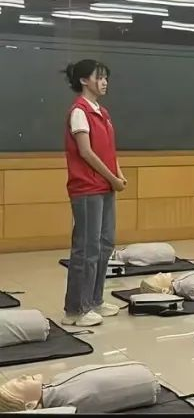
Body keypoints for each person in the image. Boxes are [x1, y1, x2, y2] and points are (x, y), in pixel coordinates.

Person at [63, 59, 125, 328]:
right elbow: (86, 152)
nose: (104, 82)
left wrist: (118, 174)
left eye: (106, 77)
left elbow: (109, 150)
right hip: (87, 188)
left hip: (106, 186)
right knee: (86, 249)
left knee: (105, 244)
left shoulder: (103, 112)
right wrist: (112, 178)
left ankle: (95, 300)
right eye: (99, 77)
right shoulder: (79, 111)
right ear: (83, 81)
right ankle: (76, 309)